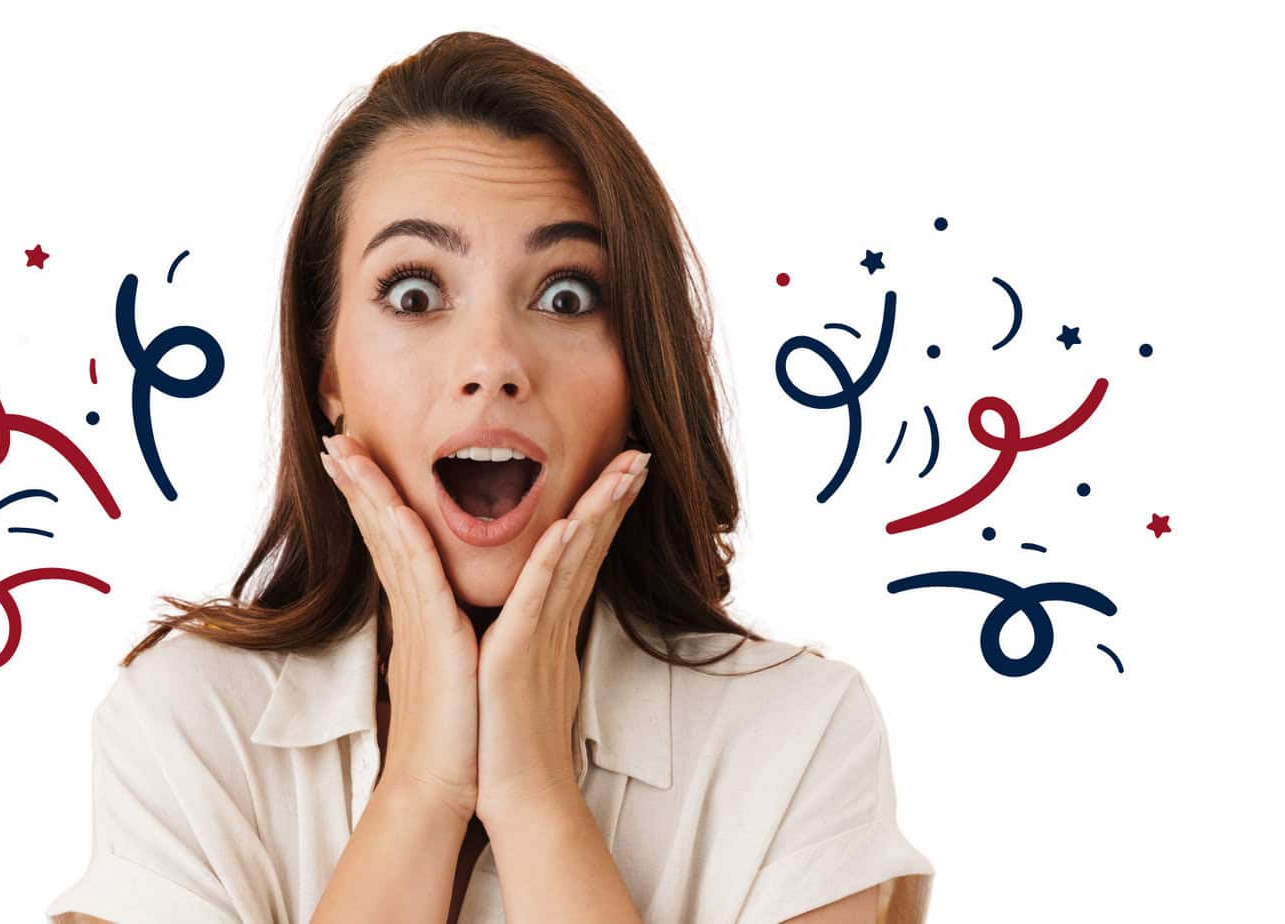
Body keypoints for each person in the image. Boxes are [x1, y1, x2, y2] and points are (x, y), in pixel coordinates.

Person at [47, 30, 933, 924]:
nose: (493, 364)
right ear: (329, 376)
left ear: (638, 374)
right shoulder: (184, 723)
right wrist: (424, 789)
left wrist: (534, 793)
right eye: (414, 293)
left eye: (566, 296)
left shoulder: (797, 734)